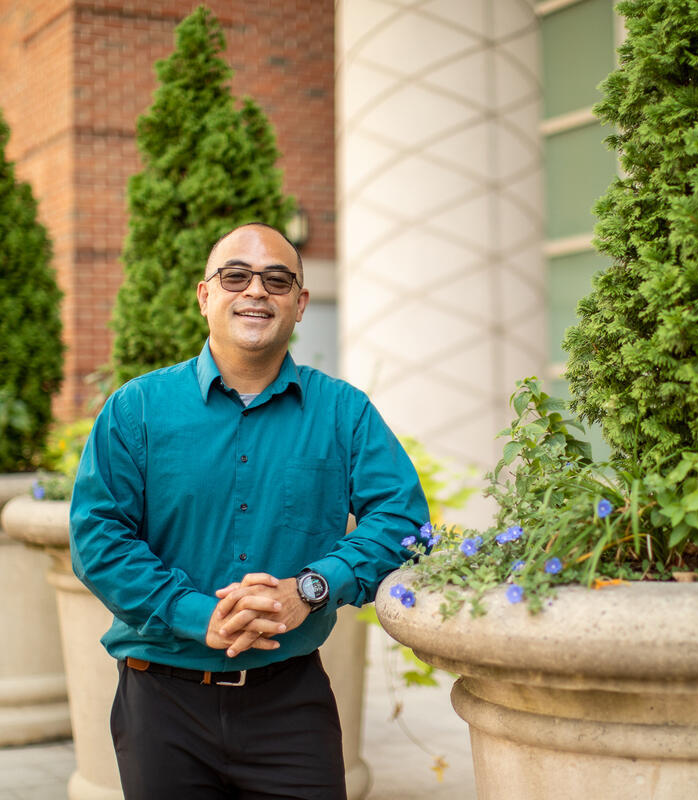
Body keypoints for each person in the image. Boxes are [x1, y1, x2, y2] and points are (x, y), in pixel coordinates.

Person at [70, 222, 429, 800]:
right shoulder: (136, 409)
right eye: (235, 276)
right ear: (205, 295)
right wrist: (192, 613)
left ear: (300, 303)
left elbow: (405, 521)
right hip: (162, 703)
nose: (256, 291)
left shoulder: (343, 412)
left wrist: (313, 587)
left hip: (289, 702)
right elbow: (98, 537)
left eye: (277, 279)